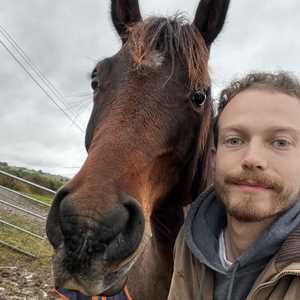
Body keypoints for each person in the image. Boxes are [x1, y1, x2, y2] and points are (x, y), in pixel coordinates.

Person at [167, 72, 300, 300]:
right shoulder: (189, 242)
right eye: (235, 140)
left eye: (280, 142)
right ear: (213, 159)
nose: (252, 159)